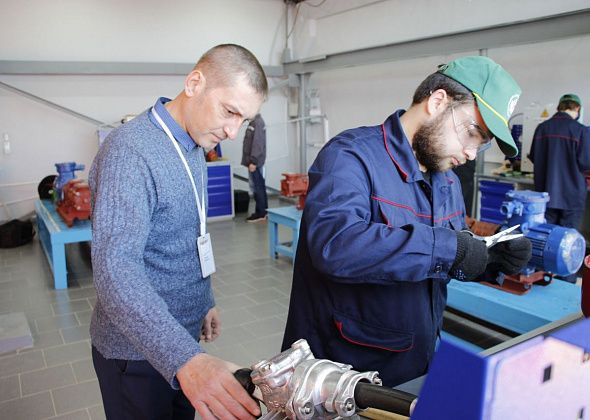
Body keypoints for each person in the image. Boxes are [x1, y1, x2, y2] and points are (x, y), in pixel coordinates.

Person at [281, 56, 532, 388]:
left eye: (481, 145)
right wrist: (450, 248)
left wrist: (489, 257)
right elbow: (335, 245)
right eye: (472, 133)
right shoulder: (351, 156)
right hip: (344, 375)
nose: (472, 153)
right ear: (438, 101)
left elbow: (443, 254)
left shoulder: (447, 180)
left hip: (415, 363)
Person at [89, 44, 266, 420]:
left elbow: (189, 232)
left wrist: (204, 299)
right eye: (230, 111)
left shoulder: (194, 143)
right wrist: (186, 359)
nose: (234, 132)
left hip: (181, 341)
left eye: (244, 120)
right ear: (194, 82)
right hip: (136, 354)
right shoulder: (131, 152)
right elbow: (115, 270)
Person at [529, 94, 590, 230]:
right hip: (572, 197)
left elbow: (533, 156)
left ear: (559, 107)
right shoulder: (580, 130)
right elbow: (586, 164)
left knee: (545, 237)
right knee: (566, 241)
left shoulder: (542, 128)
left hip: (545, 194)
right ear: (577, 108)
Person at [241, 113, 268, 222]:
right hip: (253, 162)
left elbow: (258, 144)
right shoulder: (253, 122)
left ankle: (261, 213)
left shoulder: (257, 122)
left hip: (255, 163)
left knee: (258, 187)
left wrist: (253, 161)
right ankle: (262, 212)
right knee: (258, 186)